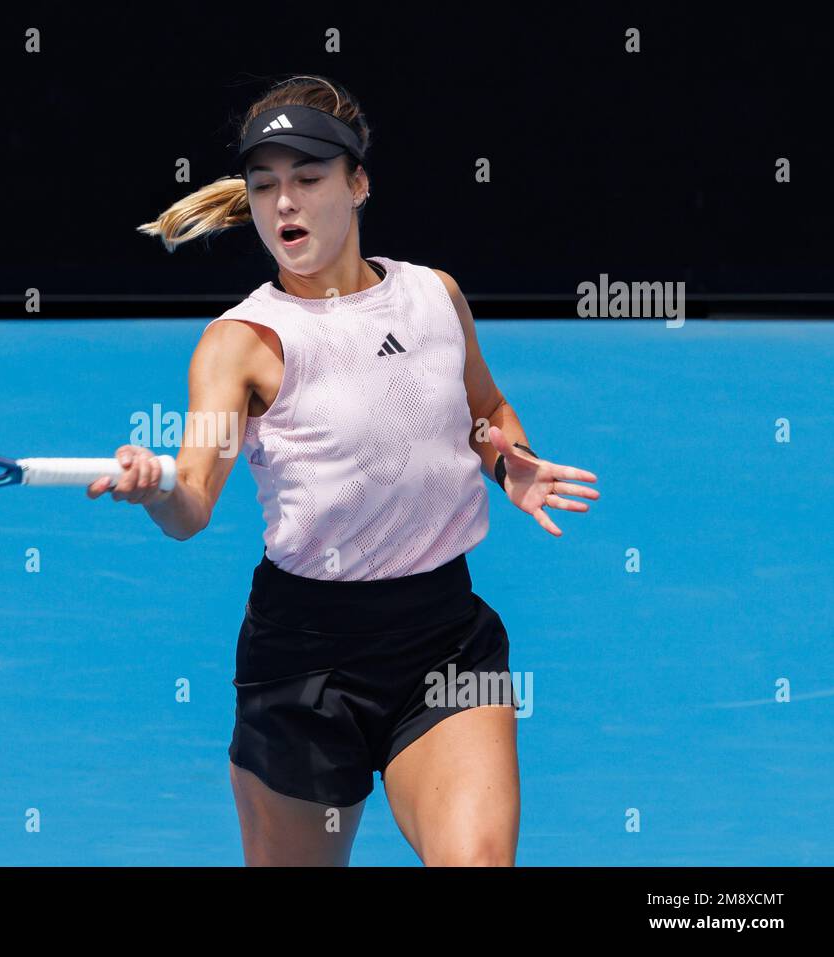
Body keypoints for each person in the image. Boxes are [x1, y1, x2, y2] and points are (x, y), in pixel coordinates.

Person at [90, 75, 599, 866]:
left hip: (443, 641)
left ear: (358, 184)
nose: (283, 204)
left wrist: (511, 463)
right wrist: (155, 484)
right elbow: (192, 500)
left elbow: (483, 411)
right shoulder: (242, 344)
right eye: (264, 187)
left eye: (307, 179)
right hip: (302, 664)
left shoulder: (435, 297)